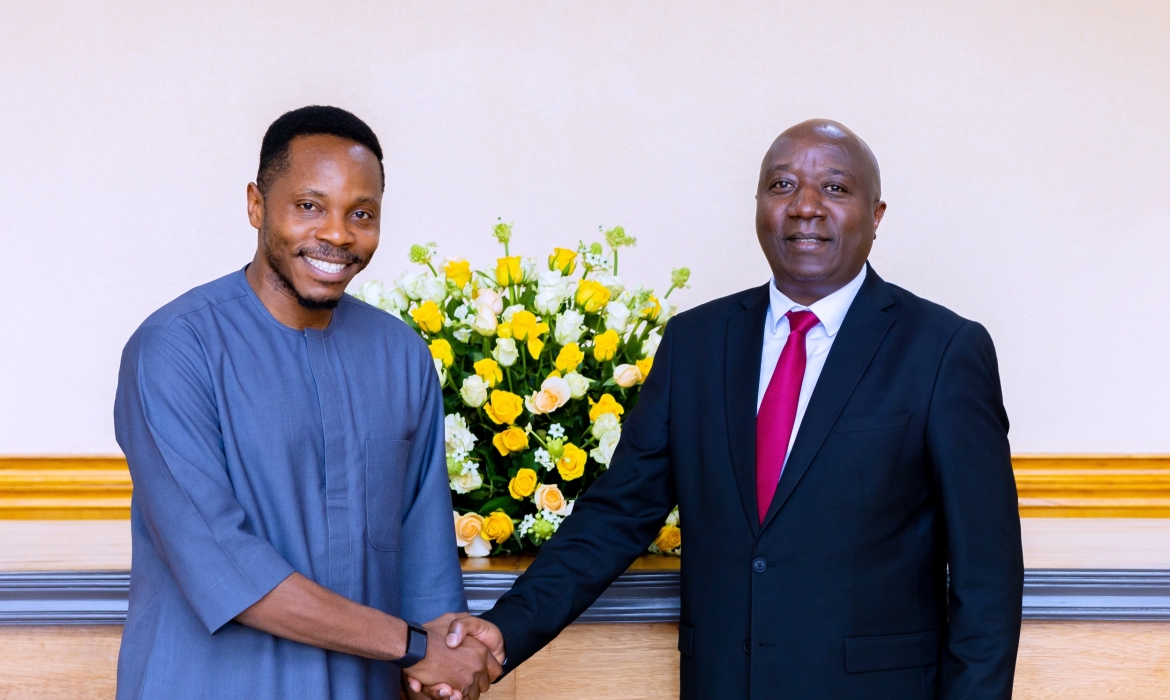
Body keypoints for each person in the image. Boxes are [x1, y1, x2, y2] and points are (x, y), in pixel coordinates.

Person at [425, 119, 1024, 699]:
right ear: (759, 204)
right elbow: (617, 515)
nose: (805, 205)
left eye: (835, 188)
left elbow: (987, 581)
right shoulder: (696, 343)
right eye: (782, 184)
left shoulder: (944, 349)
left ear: (877, 215)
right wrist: (502, 631)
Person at [114, 106, 498, 700]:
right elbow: (224, 565)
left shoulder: (401, 355)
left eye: (361, 214)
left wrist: (443, 657)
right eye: (309, 206)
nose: (339, 234)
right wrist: (416, 647)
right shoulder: (173, 350)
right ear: (256, 206)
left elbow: (427, 567)